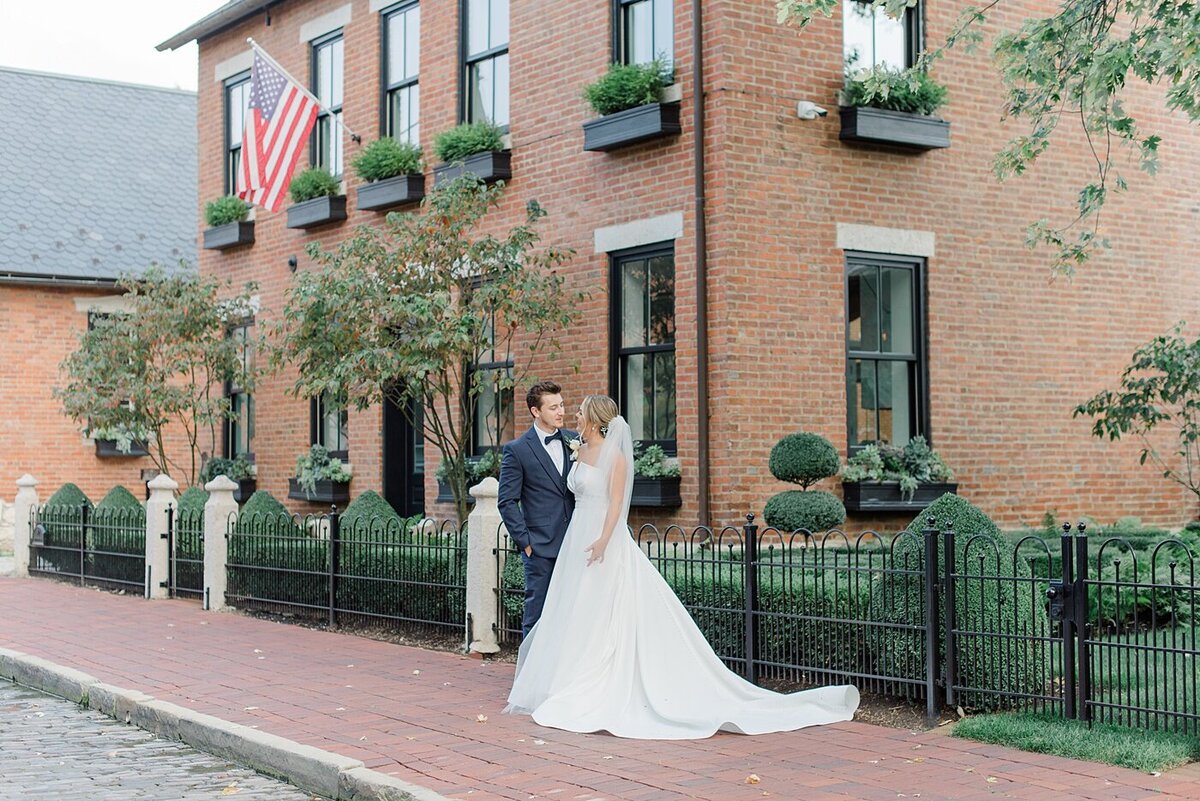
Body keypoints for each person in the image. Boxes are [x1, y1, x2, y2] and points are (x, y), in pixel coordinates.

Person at [505, 394, 860, 739]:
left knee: (604, 608)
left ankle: (602, 679)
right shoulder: (576, 448)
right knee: (574, 610)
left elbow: (616, 504)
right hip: (573, 540)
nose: (573, 415)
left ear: (596, 419)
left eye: (579, 411)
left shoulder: (616, 459)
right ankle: (567, 679)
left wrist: (602, 539)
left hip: (601, 537)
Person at [497, 381, 577, 636]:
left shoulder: (575, 440)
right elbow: (506, 501)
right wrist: (526, 542)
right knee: (537, 614)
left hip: (576, 543)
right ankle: (529, 673)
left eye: (562, 405)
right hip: (540, 546)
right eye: (553, 407)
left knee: (574, 613)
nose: (561, 411)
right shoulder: (517, 450)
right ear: (536, 411)